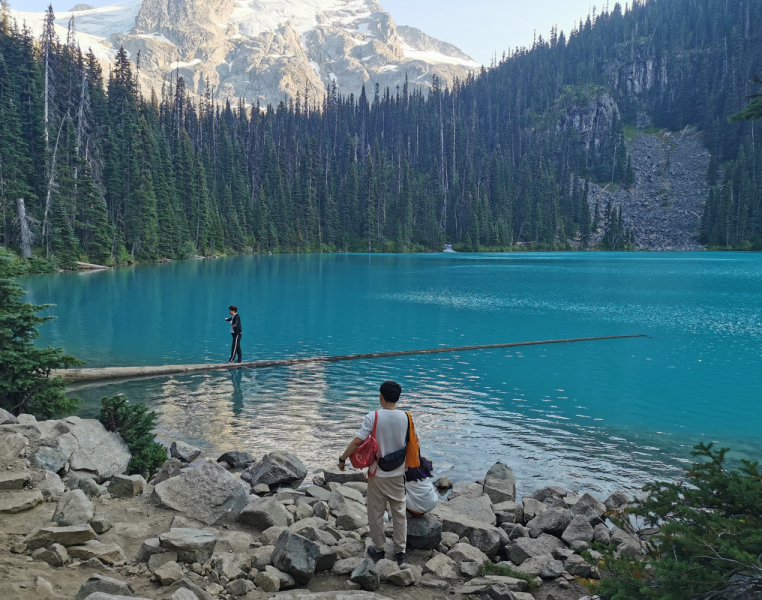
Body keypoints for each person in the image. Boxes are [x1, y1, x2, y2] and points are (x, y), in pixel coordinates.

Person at [338, 380, 409, 565]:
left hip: (377, 473)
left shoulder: (373, 416)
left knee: (376, 512)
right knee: (399, 512)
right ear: (397, 398)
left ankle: (379, 549)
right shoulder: (407, 417)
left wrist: (343, 458)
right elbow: (410, 444)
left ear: (381, 396)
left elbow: (357, 442)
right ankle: (400, 551)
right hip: (399, 472)